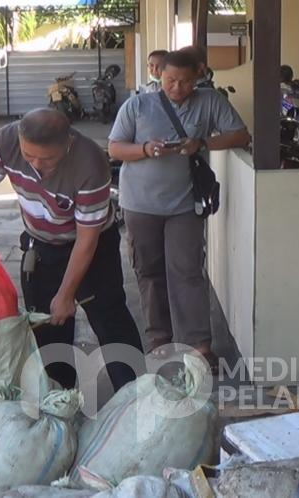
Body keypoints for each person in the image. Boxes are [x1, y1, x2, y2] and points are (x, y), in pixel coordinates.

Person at [0, 108, 144, 391]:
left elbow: (87, 239)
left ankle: (136, 398)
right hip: (41, 245)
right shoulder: (6, 141)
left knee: (110, 320)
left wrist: (66, 293)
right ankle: (60, 401)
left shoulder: (90, 163)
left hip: (92, 248)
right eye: (28, 155)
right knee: (47, 329)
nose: (36, 164)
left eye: (46, 159)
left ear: (67, 142)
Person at [108, 49, 250, 370]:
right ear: (159, 75)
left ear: (197, 78)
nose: (177, 88)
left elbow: (241, 134)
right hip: (140, 204)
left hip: (184, 203)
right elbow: (115, 147)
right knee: (149, 273)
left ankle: (200, 345)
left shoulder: (210, 101)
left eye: (185, 82)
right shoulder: (138, 105)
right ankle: (159, 341)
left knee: (187, 272)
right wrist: (145, 149)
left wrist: (201, 144)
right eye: (171, 80)